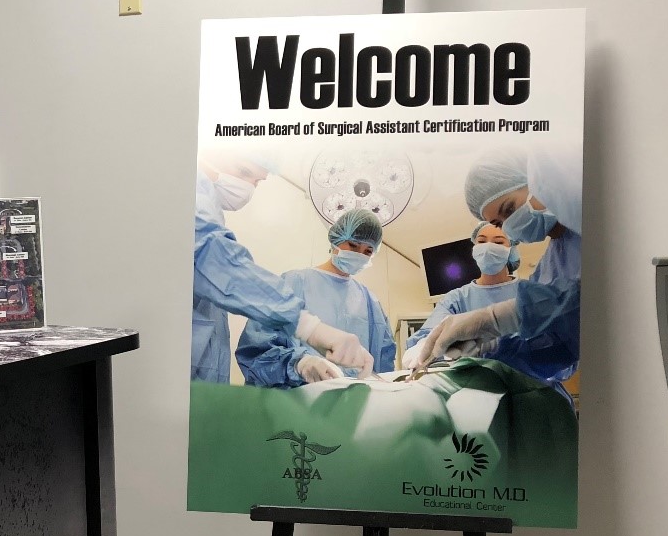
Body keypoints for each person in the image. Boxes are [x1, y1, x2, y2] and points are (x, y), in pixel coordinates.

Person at [192, 155, 374, 382]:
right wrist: (308, 334)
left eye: (257, 181)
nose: (246, 187)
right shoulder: (186, 190)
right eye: (244, 171)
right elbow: (213, 257)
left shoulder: (368, 299)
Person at [407, 150, 581, 373]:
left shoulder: (591, 218)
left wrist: (498, 319)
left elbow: (589, 304)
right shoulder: (548, 269)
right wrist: (494, 347)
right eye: (499, 223)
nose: (509, 223)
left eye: (509, 209)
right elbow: (555, 346)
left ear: (538, 180)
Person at [236, 207, 396, 387]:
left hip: (354, 401)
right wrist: (299, 364)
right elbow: (257, 350)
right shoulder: (294, 282)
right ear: (337, 238)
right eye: (353, 245)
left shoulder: (370, 302)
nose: (359, 254)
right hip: (295, 400)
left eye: (368, 251)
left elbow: (384, 366)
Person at [402, 222, 521, 365]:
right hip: (473, 378)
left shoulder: (528, 292)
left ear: (511, 249)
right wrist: (421, 349)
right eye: (481, 241)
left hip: (526, 377)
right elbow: (431, 333)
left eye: (498, 242)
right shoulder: (456, 298)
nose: (488, 248)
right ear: (474, 249)